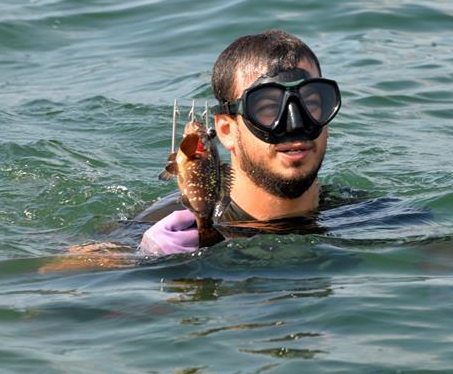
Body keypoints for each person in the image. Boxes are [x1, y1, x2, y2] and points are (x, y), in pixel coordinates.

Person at [140, 29, 341, 256]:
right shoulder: (167, 225)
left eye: (311, 103)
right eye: (267, 108)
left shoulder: (364, 214)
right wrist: (141, 259)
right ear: (226, 131)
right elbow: (94, 262)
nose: (295, 124)